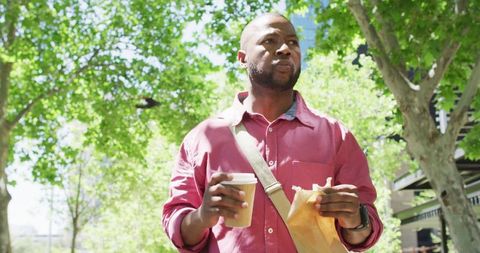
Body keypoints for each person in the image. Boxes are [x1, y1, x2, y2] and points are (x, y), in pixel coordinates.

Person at [162, 13, 383, 252]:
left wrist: (356, 218)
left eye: (293, 42)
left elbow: (365, 234)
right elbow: (177, 227)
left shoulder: (336, 136)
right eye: (270, 41)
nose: (285, 49)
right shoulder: (202, 139)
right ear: (242, 58)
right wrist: (203, 216)